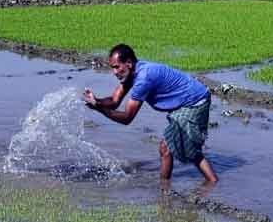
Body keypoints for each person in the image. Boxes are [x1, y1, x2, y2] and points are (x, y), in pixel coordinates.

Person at [84, 44, 218, 183]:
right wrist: (96, 101)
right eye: (112, 68)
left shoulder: (143, 79)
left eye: (117, 67)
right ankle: (212, 183)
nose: (114, 72)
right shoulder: (133, 72)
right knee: (189, 149)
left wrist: (99, 109)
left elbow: (127, 118)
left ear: (128, 63)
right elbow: (114, 101)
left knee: (166, 148)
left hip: (194, 102)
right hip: (186, 102)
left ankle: (164, 189)